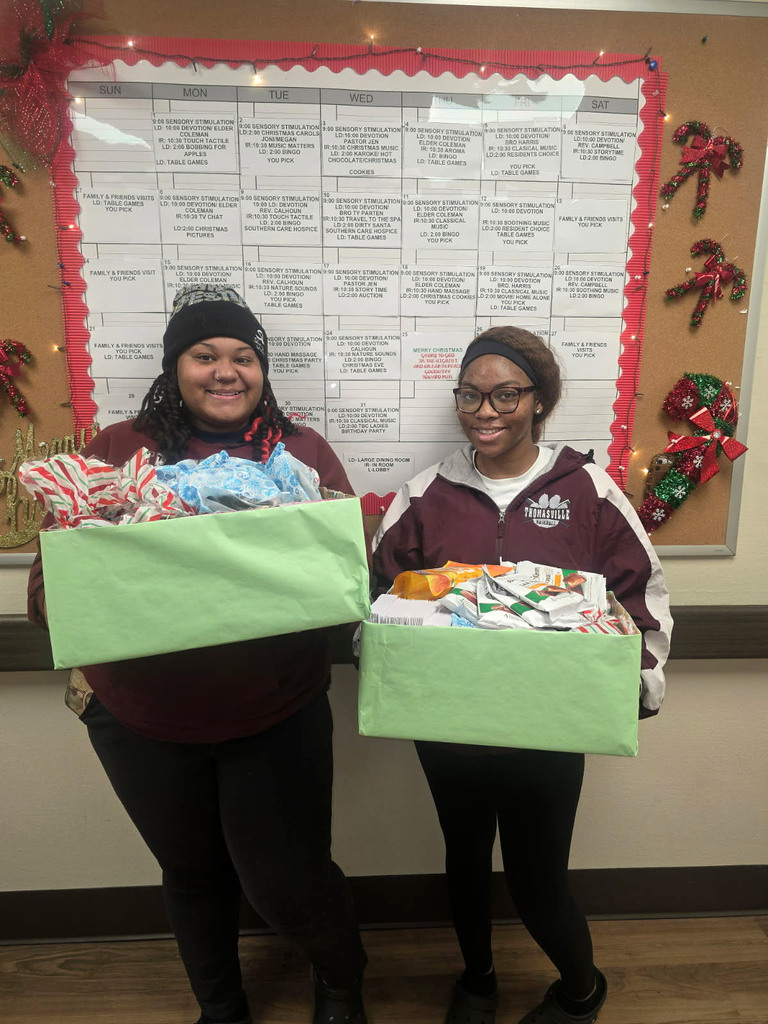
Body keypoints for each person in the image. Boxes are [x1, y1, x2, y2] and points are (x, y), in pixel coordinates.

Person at [28, 285, 368, 1024]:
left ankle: (341, 983)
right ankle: (220, 1007)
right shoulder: (121, 450)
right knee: (190, 872)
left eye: (243, 357)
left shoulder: (301, 454)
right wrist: (94, 587)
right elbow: (51, 586)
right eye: (204, 354)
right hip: (141, 718)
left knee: (291, 878)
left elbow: (349, 575)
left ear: (262, 370)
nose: (225, 371)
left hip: (275, 712)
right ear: (173, 367)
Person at [371, 325, 672, 1024]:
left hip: (550, 726)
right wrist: (385, 659)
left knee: (539, 879)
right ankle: (477, 980)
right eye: (471, 395)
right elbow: (378, 598)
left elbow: (643, 593)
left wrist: (637, 681)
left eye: (506, 393)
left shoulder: (589, 490)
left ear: (540, 400)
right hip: (450, 728)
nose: (485, 410)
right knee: (465, 860)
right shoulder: (424, 495)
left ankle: (580, 988)